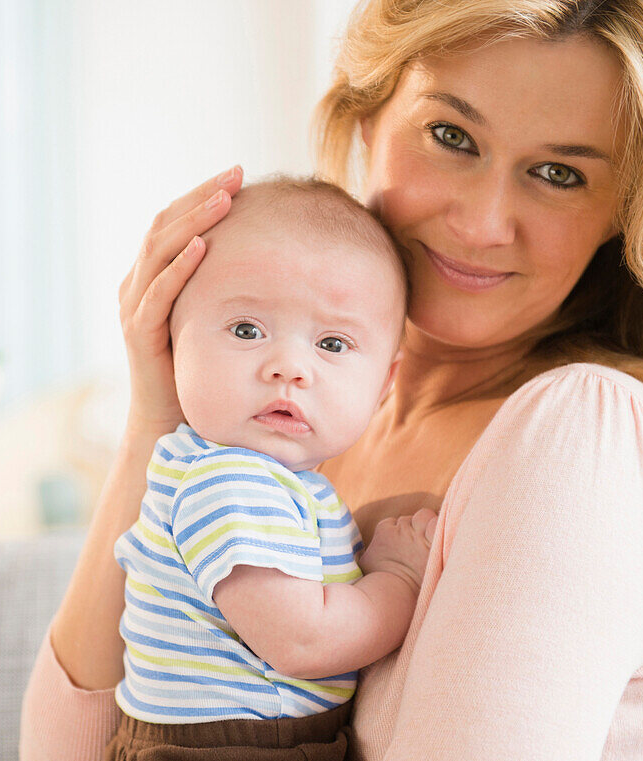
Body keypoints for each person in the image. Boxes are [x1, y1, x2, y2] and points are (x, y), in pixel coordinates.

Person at [21, 1, 643, 758]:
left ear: (627, 208)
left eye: (559, 173)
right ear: (365, 118)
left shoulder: (586, 441)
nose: (484, 222)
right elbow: (68, 748)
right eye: (452, 136)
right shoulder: (290, 429)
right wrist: (157, 421)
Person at [107, 178, 437, 758]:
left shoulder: (277, 484)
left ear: (385, 383)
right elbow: (305, 640)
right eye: (246, 330)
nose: (288, 367)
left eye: (332, 344)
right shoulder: (228, 482)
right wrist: (400, 581)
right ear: (172, 342)